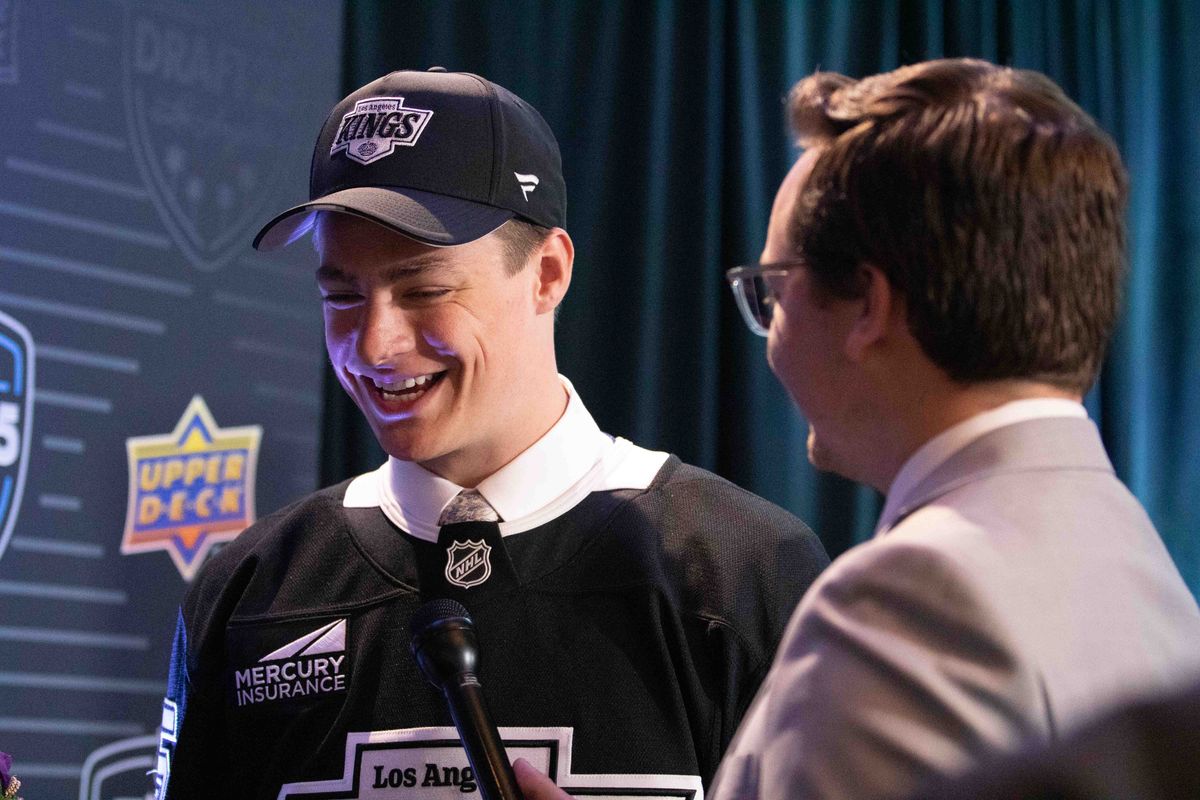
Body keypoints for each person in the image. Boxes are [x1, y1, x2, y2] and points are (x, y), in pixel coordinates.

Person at [517, 58, 1200, 800]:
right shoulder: (1138, 558)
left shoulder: (908, 604)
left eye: (774, 289)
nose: (771, 333)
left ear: (867, 307)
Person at [154, 68, 828, 799]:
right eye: (341, 295)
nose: (373, 344)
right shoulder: (252, 589)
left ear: (547, 273)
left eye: (425, 290)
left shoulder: (744, 572)